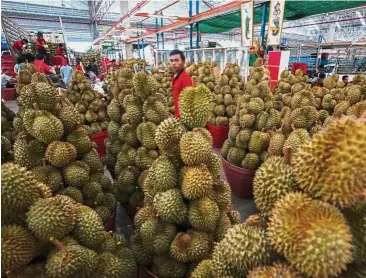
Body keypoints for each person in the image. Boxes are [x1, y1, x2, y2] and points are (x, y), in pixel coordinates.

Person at [170, 49, 193, 118]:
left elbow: (189, 101)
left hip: (183, 118)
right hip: (177, 115)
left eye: (177, 60)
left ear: (183, 62)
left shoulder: (185, 78)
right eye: (171, 61)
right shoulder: (174, 76)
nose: (173, 63)